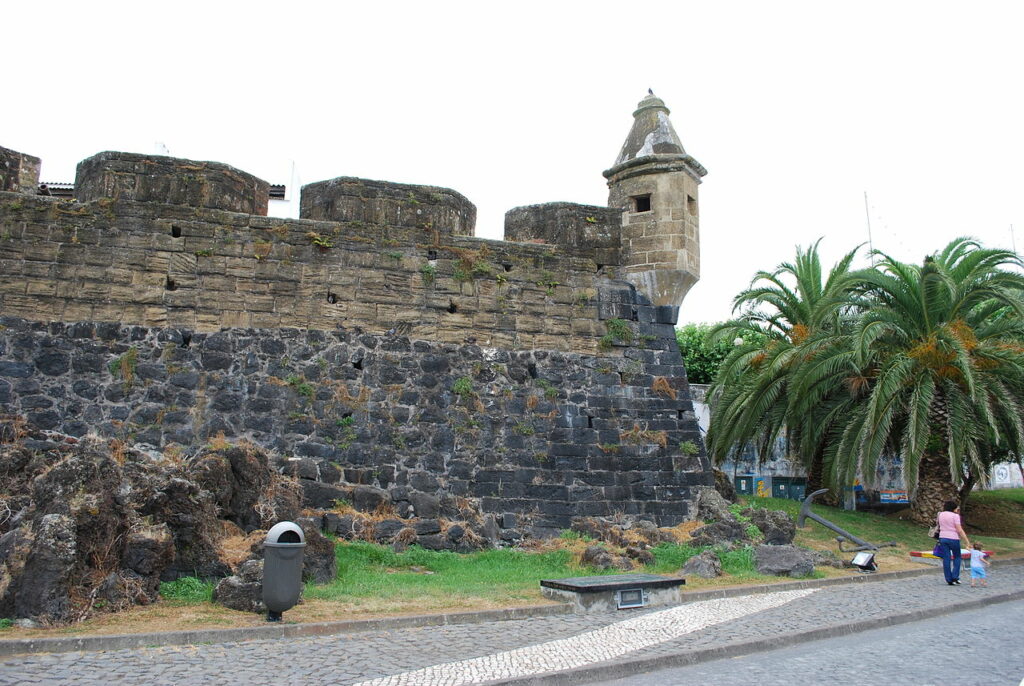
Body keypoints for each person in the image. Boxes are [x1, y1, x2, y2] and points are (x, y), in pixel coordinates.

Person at [935, 500, 971, 585]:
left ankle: (948, 579)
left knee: (946, 558)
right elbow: (959, 529)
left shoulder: (940, 514)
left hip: (943, 537)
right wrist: (966, 541)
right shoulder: (955, 516)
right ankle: (955, 576)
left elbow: (938, 525)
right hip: (953, 538)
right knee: (957, 557)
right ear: (953, 508)